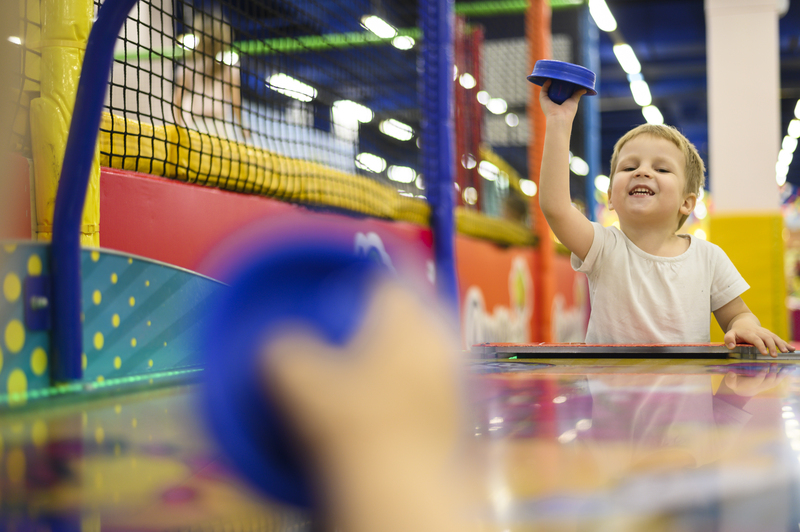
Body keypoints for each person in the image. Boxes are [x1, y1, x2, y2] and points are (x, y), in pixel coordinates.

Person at [538, 80, 794, 357]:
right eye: (629, 166)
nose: (642, 172)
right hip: (615, 396)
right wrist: (558, 121)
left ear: (686, 202)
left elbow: (737, 315)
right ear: (611, 197)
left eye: (661, 168)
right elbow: (557, 208)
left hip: (687, 395)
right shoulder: (602, 246)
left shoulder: (708, 258)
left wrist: (744, 326)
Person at [172, 8, 247, 142]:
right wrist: (242, 127)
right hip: (210, 126)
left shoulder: (224, 67)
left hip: (209, 126)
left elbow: (177, 98)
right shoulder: (192, 65)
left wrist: (179, 124)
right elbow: (236, 102)